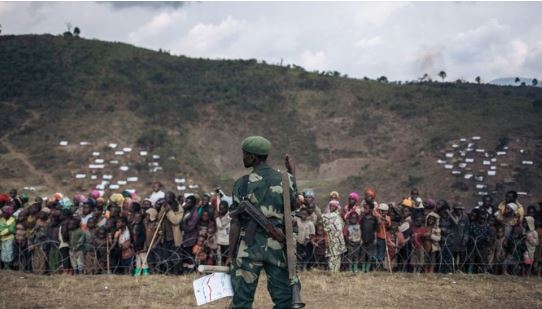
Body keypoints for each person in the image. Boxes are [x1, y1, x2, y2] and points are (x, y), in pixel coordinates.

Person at [228, 136, 301, 309]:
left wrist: (231, 254)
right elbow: (295, 203)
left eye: (244, 154)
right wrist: (292, 174)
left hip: (248, 247)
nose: (242, 158)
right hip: (278, 246)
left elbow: (236, 222)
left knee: (242, 300)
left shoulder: (242, 183)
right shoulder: (286, 179)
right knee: (284, 299)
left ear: (253, 157)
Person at [322, 200, 346, 272]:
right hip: (330, 237)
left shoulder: (339, 216)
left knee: (337, 255)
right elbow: (325, 226)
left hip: (338, 238)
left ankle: (336, 271)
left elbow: (341, 226)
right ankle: (332, 271)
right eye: (331, 206)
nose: (332, 207)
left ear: (336, 207)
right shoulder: (326, 216)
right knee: (332, 255)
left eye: (334, 206)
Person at [375, 203, 392, 269]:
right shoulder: (377, 216)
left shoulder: (388, 218)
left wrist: (384, 219)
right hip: (377, 236)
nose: (383, 212)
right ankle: (375, 266)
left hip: (383, 237)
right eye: (381, 210)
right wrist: (379, 217)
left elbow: (389, 225)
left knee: (382, 253)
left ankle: (381, 266)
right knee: (375, 252)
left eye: (384, 211)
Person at [215, 201, 231, 265]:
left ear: (227, 208)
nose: (221, 210)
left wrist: (217, 218)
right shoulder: (218, 216)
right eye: (220, 208)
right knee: (221, 257)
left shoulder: (229, 216)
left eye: (223, 208)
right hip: (220, 240)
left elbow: (221, 225)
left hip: (228, 240)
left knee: (228, 257)